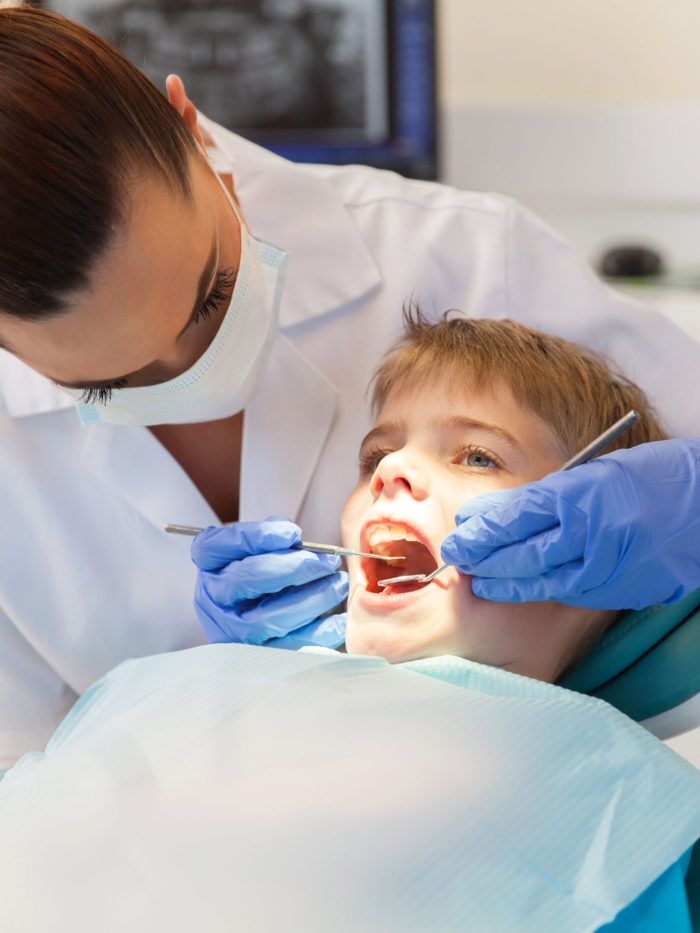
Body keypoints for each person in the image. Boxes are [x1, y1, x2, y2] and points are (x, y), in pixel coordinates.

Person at [0, 3, 699, 768]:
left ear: (191, 127)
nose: (189, 373)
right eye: (110, 384)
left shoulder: (472, 256)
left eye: (210, 298)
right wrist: (198, 706)